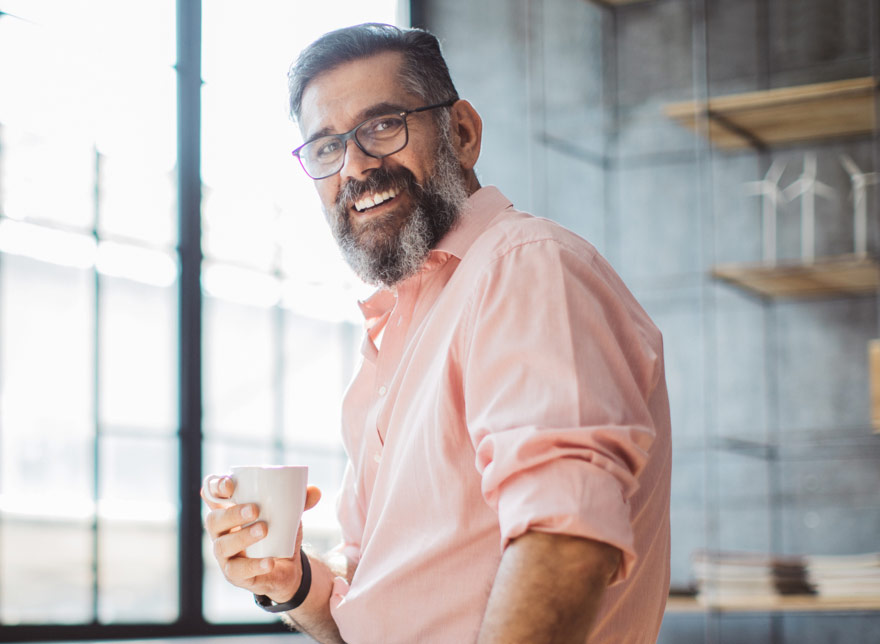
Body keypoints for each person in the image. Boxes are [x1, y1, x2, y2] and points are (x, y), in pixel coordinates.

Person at [202, 22, 671, 644]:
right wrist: (291, 583)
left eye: (383, 126)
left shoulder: (524, 265)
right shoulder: (401, 327)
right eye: (326, 148)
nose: (357, 167)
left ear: (463, 132)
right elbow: (378, 604)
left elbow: (563, 538)